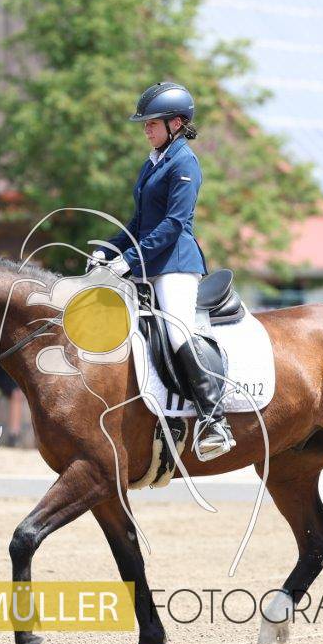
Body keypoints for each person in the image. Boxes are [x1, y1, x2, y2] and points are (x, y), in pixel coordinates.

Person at [89, 81, 234, 461]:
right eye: (146, 123)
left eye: (152, 123)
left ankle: (214, 419)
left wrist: (129, 261)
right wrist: (107, 249)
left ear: (177, 123)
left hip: (175, 265)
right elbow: (139, 223)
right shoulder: (152, 162)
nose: (146, 129)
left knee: (176, 331)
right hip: (146, 264)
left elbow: (173, 224)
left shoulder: (185, 162)